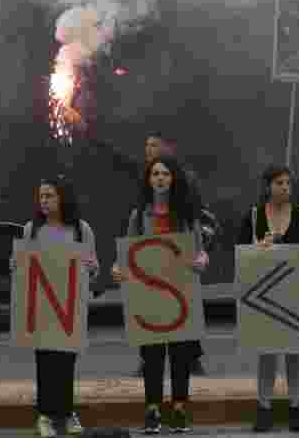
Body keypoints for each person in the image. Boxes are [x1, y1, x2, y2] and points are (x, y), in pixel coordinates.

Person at [111, 157, 208, 434]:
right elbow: (126, 254)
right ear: (149, 179)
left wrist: (201, 261)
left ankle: (179, 408)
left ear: (174, 178)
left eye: (165, 173)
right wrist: (117, 268)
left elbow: (200, 252)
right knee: (152, 355)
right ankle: (152, 409)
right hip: (149, 293)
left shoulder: (187, 215)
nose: (160, 178)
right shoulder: (139, 215)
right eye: (155, 173)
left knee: (180, 355)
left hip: (181, 291)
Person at [17, 177, 98, 438]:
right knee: (45, 363)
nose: (44, 200)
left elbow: (93, 266)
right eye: (41, 196)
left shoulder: (80, 229)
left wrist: (91, 268)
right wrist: (15, 265)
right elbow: (21, 266)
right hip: (41, 309)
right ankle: (45, 415)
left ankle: (66, 413)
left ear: (62, 197)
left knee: (66, 363)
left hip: (69, 308)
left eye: (49, 195)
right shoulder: (31, 229)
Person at [238, 166, 299, 433]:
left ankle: (297, 406)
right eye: (279, 183)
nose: (285, 188)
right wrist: (257, 249)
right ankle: (263, 407)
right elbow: (240, 253)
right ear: (267, 185)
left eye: (288, 183)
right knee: (266, 353)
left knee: (295, 353)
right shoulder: (255, 216)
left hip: (294, 293)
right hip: (263, 294)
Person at [132, 134, 211, 377]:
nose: (149, 150)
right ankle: (149, 361)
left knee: (184, 309)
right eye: (146, 146)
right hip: (153, 267)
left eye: (154, 145)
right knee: (153, 312)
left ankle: (192, 359)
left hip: (180, 262)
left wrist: (199, 252)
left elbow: (196, 217)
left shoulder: (185, 180)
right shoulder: (142, 196)